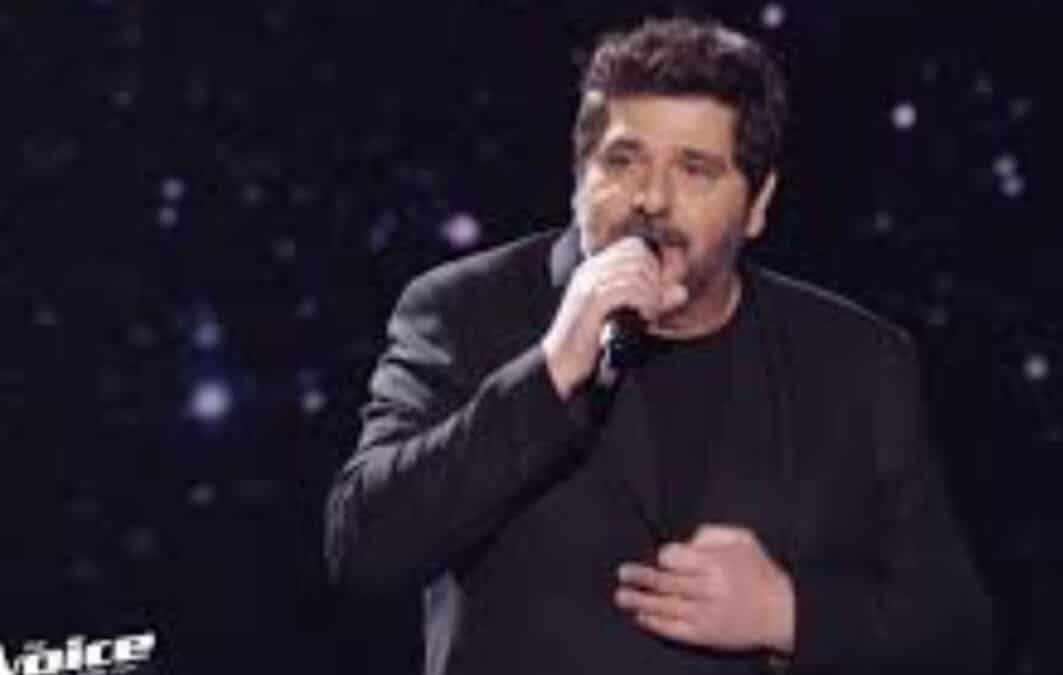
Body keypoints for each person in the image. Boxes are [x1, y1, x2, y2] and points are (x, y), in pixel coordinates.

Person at [324, 16, 993, 675]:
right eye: (622, 160)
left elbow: (955, 634)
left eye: (695, 170)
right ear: (579, 173)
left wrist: (787, 613)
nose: (650, 198)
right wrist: (552, 366)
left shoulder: (858, 361)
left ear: (758, 204)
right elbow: (362, 549)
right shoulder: (462, 310)